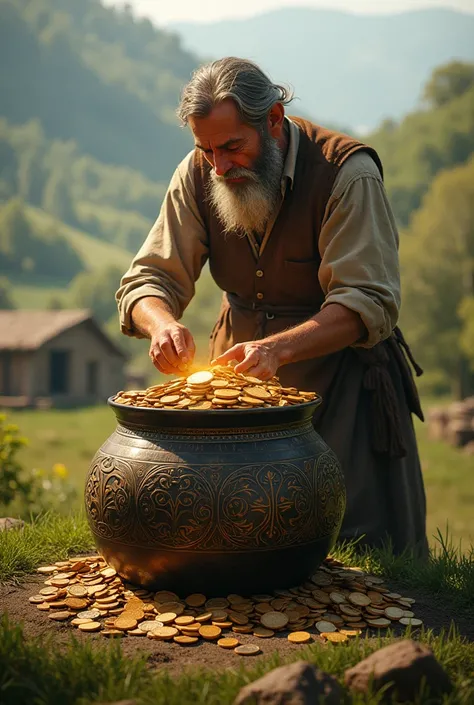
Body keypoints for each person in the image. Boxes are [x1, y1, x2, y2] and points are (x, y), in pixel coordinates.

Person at [116, 57, 428, 558]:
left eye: (233, 147)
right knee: (239, 543)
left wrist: (278, 349)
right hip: (240, 397)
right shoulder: (200, 170)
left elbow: (366, 300)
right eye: (206, 149)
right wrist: (161, 323)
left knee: (360, 553)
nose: (218, 166)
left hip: (344, 390)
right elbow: (150, 276)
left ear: (275, 120)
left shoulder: (347, 174)